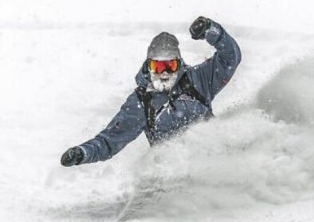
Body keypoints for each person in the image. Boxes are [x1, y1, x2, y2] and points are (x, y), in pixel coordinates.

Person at [60, 16, 241, 166]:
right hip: (175, 171)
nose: (164, 73)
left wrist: (211, 30)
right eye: (158, 66)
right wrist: (82, 153)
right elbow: (109, 141)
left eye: (170, 66)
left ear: (179, 64)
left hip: (216, 159)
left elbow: (231, 58)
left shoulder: (197, 80)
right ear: (149, 66)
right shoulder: (141, 102)